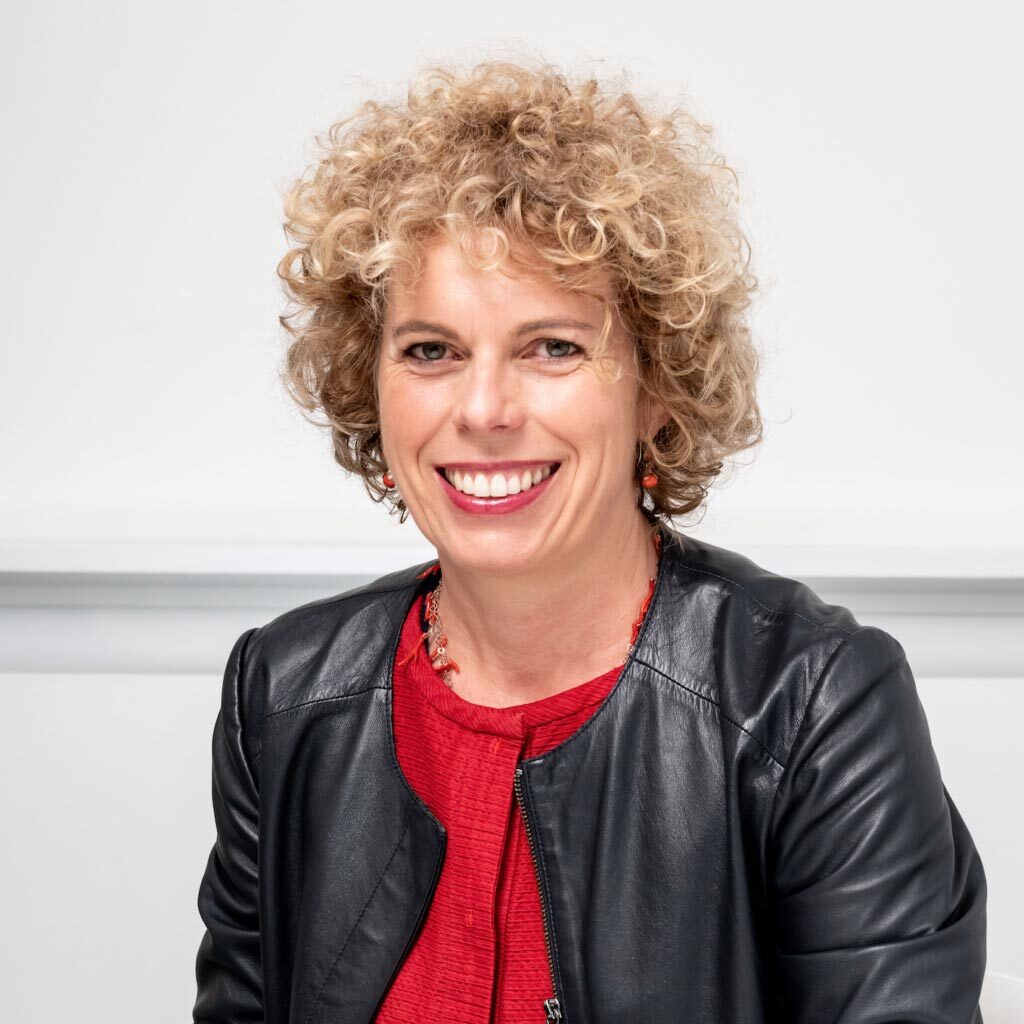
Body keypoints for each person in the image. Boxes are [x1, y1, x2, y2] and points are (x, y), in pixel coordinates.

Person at [192, 59, 987, 1024]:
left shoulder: (813, 703)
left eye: (553, 347)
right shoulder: (282, 693)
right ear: (372, 384)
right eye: (431, 351)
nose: (484, 409)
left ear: (658, 388)